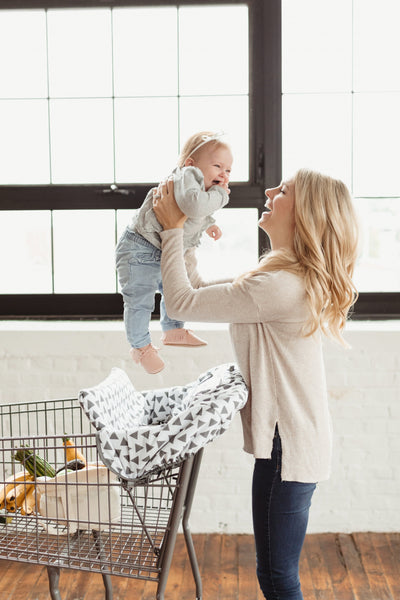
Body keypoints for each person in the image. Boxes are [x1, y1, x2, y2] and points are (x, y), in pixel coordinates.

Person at [152, 169, 359, 600]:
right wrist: (187, 230)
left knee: (278, 577)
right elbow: (198, 290)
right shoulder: (281, 277)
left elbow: (180, 301)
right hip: (296, 442)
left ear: (304, 214)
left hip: (290, 448)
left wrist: (172, 228)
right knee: (276, 574)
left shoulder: (279, 286)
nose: (268, 192)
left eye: (283, 191)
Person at [115, 131, 233, 374]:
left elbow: (195, 210)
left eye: (229, 170)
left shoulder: (196, 186)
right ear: (191, 164)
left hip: (160, 248)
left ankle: (172, 329)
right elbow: (193, 204)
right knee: (140, 301)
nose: (224, 174)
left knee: (175, 288)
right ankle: (140, 347)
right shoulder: (187, 175)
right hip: (140, 247)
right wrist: (220, 195)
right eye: (217, 166)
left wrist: (208, 223)